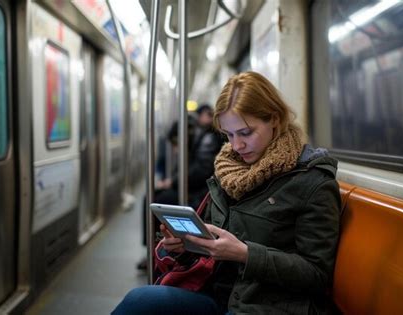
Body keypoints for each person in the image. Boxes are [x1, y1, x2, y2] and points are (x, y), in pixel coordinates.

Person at [114, 71, 341, 314]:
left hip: (266, 304)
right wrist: (186, 246)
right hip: (219, 293)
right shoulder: (229, 171)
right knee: (139, 301)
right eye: (229, 134)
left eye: (245, 133)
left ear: (274, 119)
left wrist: (245, 254)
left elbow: (316, 274)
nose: (236, 145)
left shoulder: (312, 182)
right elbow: (215, 242)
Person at [138, 107, 223, 270]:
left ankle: (157, 249)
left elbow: (201, 171)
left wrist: (173, 182)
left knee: (157, 200)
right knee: (153, 197)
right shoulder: (200, 139)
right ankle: (152, 248)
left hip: (201, 192)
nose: (176, 150)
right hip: (195, 187)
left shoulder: (207, 140)